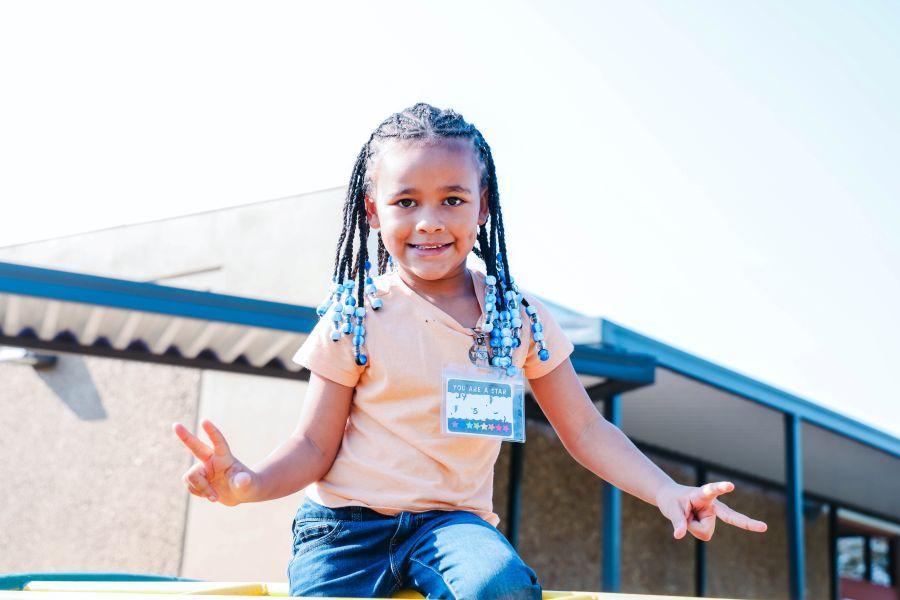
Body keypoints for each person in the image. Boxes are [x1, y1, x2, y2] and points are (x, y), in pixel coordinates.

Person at [173, 102, 768, 599]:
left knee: (500, 586)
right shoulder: (355, 315)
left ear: (483, 206)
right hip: (344, 530)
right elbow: (312, 445)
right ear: (373, 211)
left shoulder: (517, 317)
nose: (430, 221)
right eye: (406, 202)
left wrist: (667, 491)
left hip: (452, 527)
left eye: (453, 200)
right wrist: (249, 482)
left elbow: (586, 429)